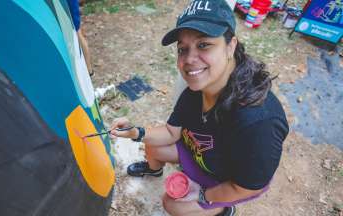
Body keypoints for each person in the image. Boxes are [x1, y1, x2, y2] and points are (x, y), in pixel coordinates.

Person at [110, 0, 289, 215]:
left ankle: (224, 210)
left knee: (172, 205)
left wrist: (204, 195)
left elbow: (248, 186)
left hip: (227, 180)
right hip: (198, 155)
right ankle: (154, 171)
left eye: (203, 44)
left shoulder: (259, 120)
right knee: (151, 146)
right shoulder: (196, 90)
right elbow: (170, 132)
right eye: (182, 49)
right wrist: (135, 132)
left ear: (231, 45)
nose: (189, 60)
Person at [67, 0, 94, 76]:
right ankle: (88, 70)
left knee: (77, 32)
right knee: (77, 33)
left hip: (70, 4)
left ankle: (89, 70)